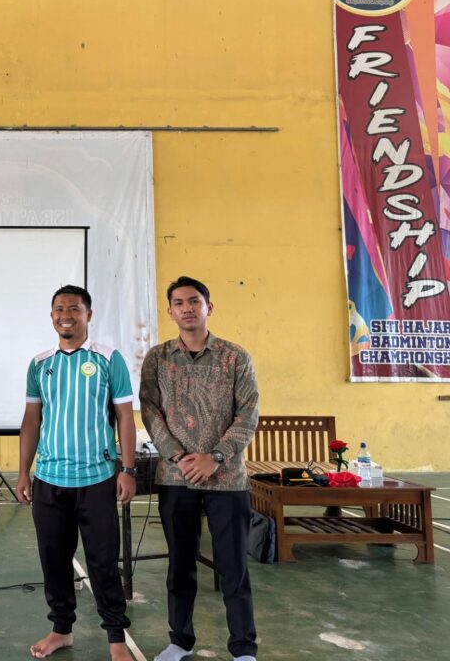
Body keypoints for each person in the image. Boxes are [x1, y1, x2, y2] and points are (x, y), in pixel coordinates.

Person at [139, 276, 259, 661]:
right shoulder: (158, 358)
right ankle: (180, 641)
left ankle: (243, 649)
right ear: (170, 311)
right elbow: (150, 410)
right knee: (180, 566)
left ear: (209, 307)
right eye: (179, 303)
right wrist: (177, 456)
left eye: (194, 301)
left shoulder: (235, 357)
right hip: (176, 479)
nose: (187, 308)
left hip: (228, 478)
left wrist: (215, 457)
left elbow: (248, 414)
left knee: (233, 568)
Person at [16, 285, 137, 661]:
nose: (65, 315)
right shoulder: (40, 364)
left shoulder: (108, 358)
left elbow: (125, 417)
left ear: (88, 314)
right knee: (54, 561)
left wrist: (127, 469)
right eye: (59, 309)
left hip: (97, 480)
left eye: (74, 309)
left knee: (103, 562)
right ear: (52, 315)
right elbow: (32, 420)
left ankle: (115, 638)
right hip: (49, 481)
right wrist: (23, 472)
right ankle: (61, 630)